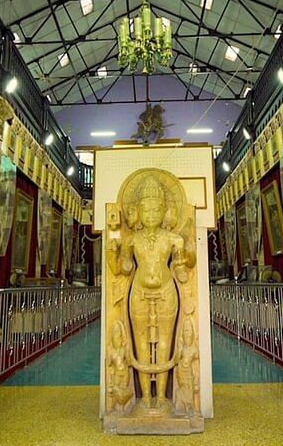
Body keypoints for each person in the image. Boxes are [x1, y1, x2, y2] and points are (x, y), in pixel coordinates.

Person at [108, 176, 191, 411]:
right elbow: (124, 269)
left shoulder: (173, 239)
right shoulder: (132, 240)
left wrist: (185, 252)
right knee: (141, 345)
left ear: (165, 212)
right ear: (138, 212)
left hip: (166, 294)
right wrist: (114, 252)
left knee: (165, 343)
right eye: (147, 209)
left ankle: (162, 397)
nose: (152, 214)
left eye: (157, 209)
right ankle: (145, 397)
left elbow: (183, 271)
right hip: (139, 294)